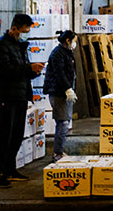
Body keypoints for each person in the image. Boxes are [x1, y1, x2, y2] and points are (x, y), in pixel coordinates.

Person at [0, 14, 44, 187]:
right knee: (5, 135)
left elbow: (21, 69)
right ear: (14, 28)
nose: (26, 34)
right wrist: (28, 68)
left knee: (17, 135)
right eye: (24, 31)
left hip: (20, 95)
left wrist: (33, 71)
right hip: (6, 95)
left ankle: (10, 169)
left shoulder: (19, 46)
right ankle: (0, 173)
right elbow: (4, 69)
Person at [43, 30, 78, 162]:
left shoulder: (67, 53)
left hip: (64, 92)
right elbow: (59, 73)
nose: (75, 43)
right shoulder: (58, 53)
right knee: (62, 122)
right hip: (59, 92)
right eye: (74, 41)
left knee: (64, 122)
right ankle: (57, 153)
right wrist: (67, 89)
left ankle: (59, 151)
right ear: (67, 41)